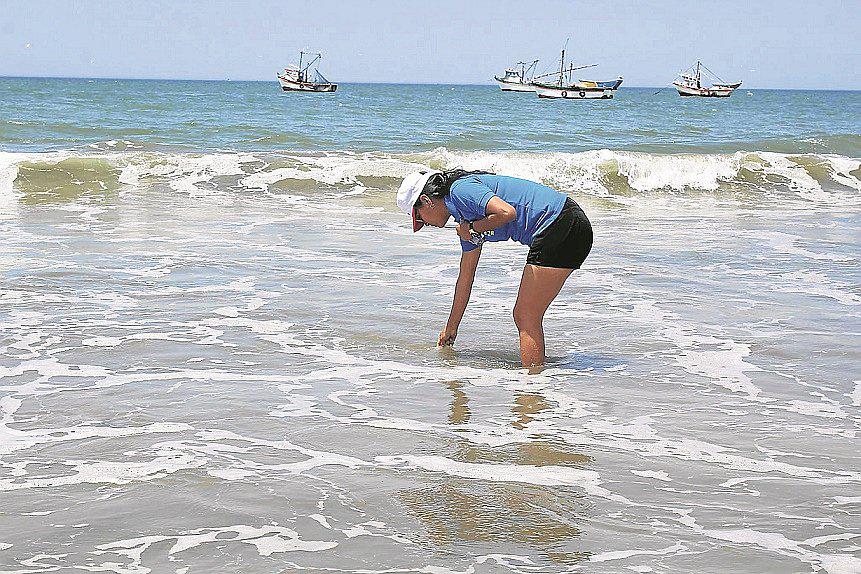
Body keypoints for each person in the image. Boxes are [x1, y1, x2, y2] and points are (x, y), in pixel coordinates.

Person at [396, 169, 593, 368]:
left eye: (419, 217)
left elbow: (507, 212)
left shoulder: (460, 190)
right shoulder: (464, 220)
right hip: (565, 225)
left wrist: (472, 229)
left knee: (525, 315)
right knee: (526, 314)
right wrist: (451, 327)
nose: (424, 224)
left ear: (426, 200)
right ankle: (539, 376)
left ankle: (532, 383)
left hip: (561, 223)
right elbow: (465, 278)